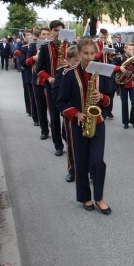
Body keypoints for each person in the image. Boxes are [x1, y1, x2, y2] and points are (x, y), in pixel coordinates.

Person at [56, 38, 112, 215]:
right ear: (79, 54)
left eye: (91, 53)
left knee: (97, 161)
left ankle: (99, 197)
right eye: (85, 53)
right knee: (80, 162)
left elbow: (109, 99)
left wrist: (101, 97)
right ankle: (84, 197)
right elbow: (61, 102)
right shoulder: (69, 75)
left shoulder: (101, 72)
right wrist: (77, 114)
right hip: (78, 124)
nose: (89, 57)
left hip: (98, 123)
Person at [35, 20, 68, 156]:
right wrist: (48, 78)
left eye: (60, 30)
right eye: (55, 30)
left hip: (67, 86)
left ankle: (67, 137)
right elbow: (39, 69)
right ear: (51, 32)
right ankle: (58, 145)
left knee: (67, 114)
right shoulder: (44, 47)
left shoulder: (69, 46)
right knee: (54, 117)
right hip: (52, 87)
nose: (58, 33)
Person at [54, 46, 81, 183]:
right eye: (76, 60)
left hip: (85, 112)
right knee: (71, 143)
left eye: (80, 60)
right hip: (70, 114)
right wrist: (68, 110)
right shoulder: (63, 73)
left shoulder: (86, 71)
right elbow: (57, 95)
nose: (79, 63)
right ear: (69, 61)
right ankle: (72, 170)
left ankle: (89, 169)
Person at [27, 28, 51, 139]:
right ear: (40, 36)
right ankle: (44, 130)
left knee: (53, 107)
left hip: (50, 80)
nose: (45, 36)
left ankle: (54, 126)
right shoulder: (32, 46)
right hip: (37, 80)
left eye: (47, 34)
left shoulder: (52, 46)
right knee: (41, 107)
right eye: (43, 34)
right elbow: (25, 62)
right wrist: (34, 58)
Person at [113, 43, 134, 129]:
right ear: (125, 49)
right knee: (124, 103)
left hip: (131, 82)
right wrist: (120, 68)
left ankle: (133, 120)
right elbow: (113, 66)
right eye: (129, 49)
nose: (131, 51)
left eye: (132, 49)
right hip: (122, 82)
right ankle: (125, 122)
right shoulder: (119, 57)